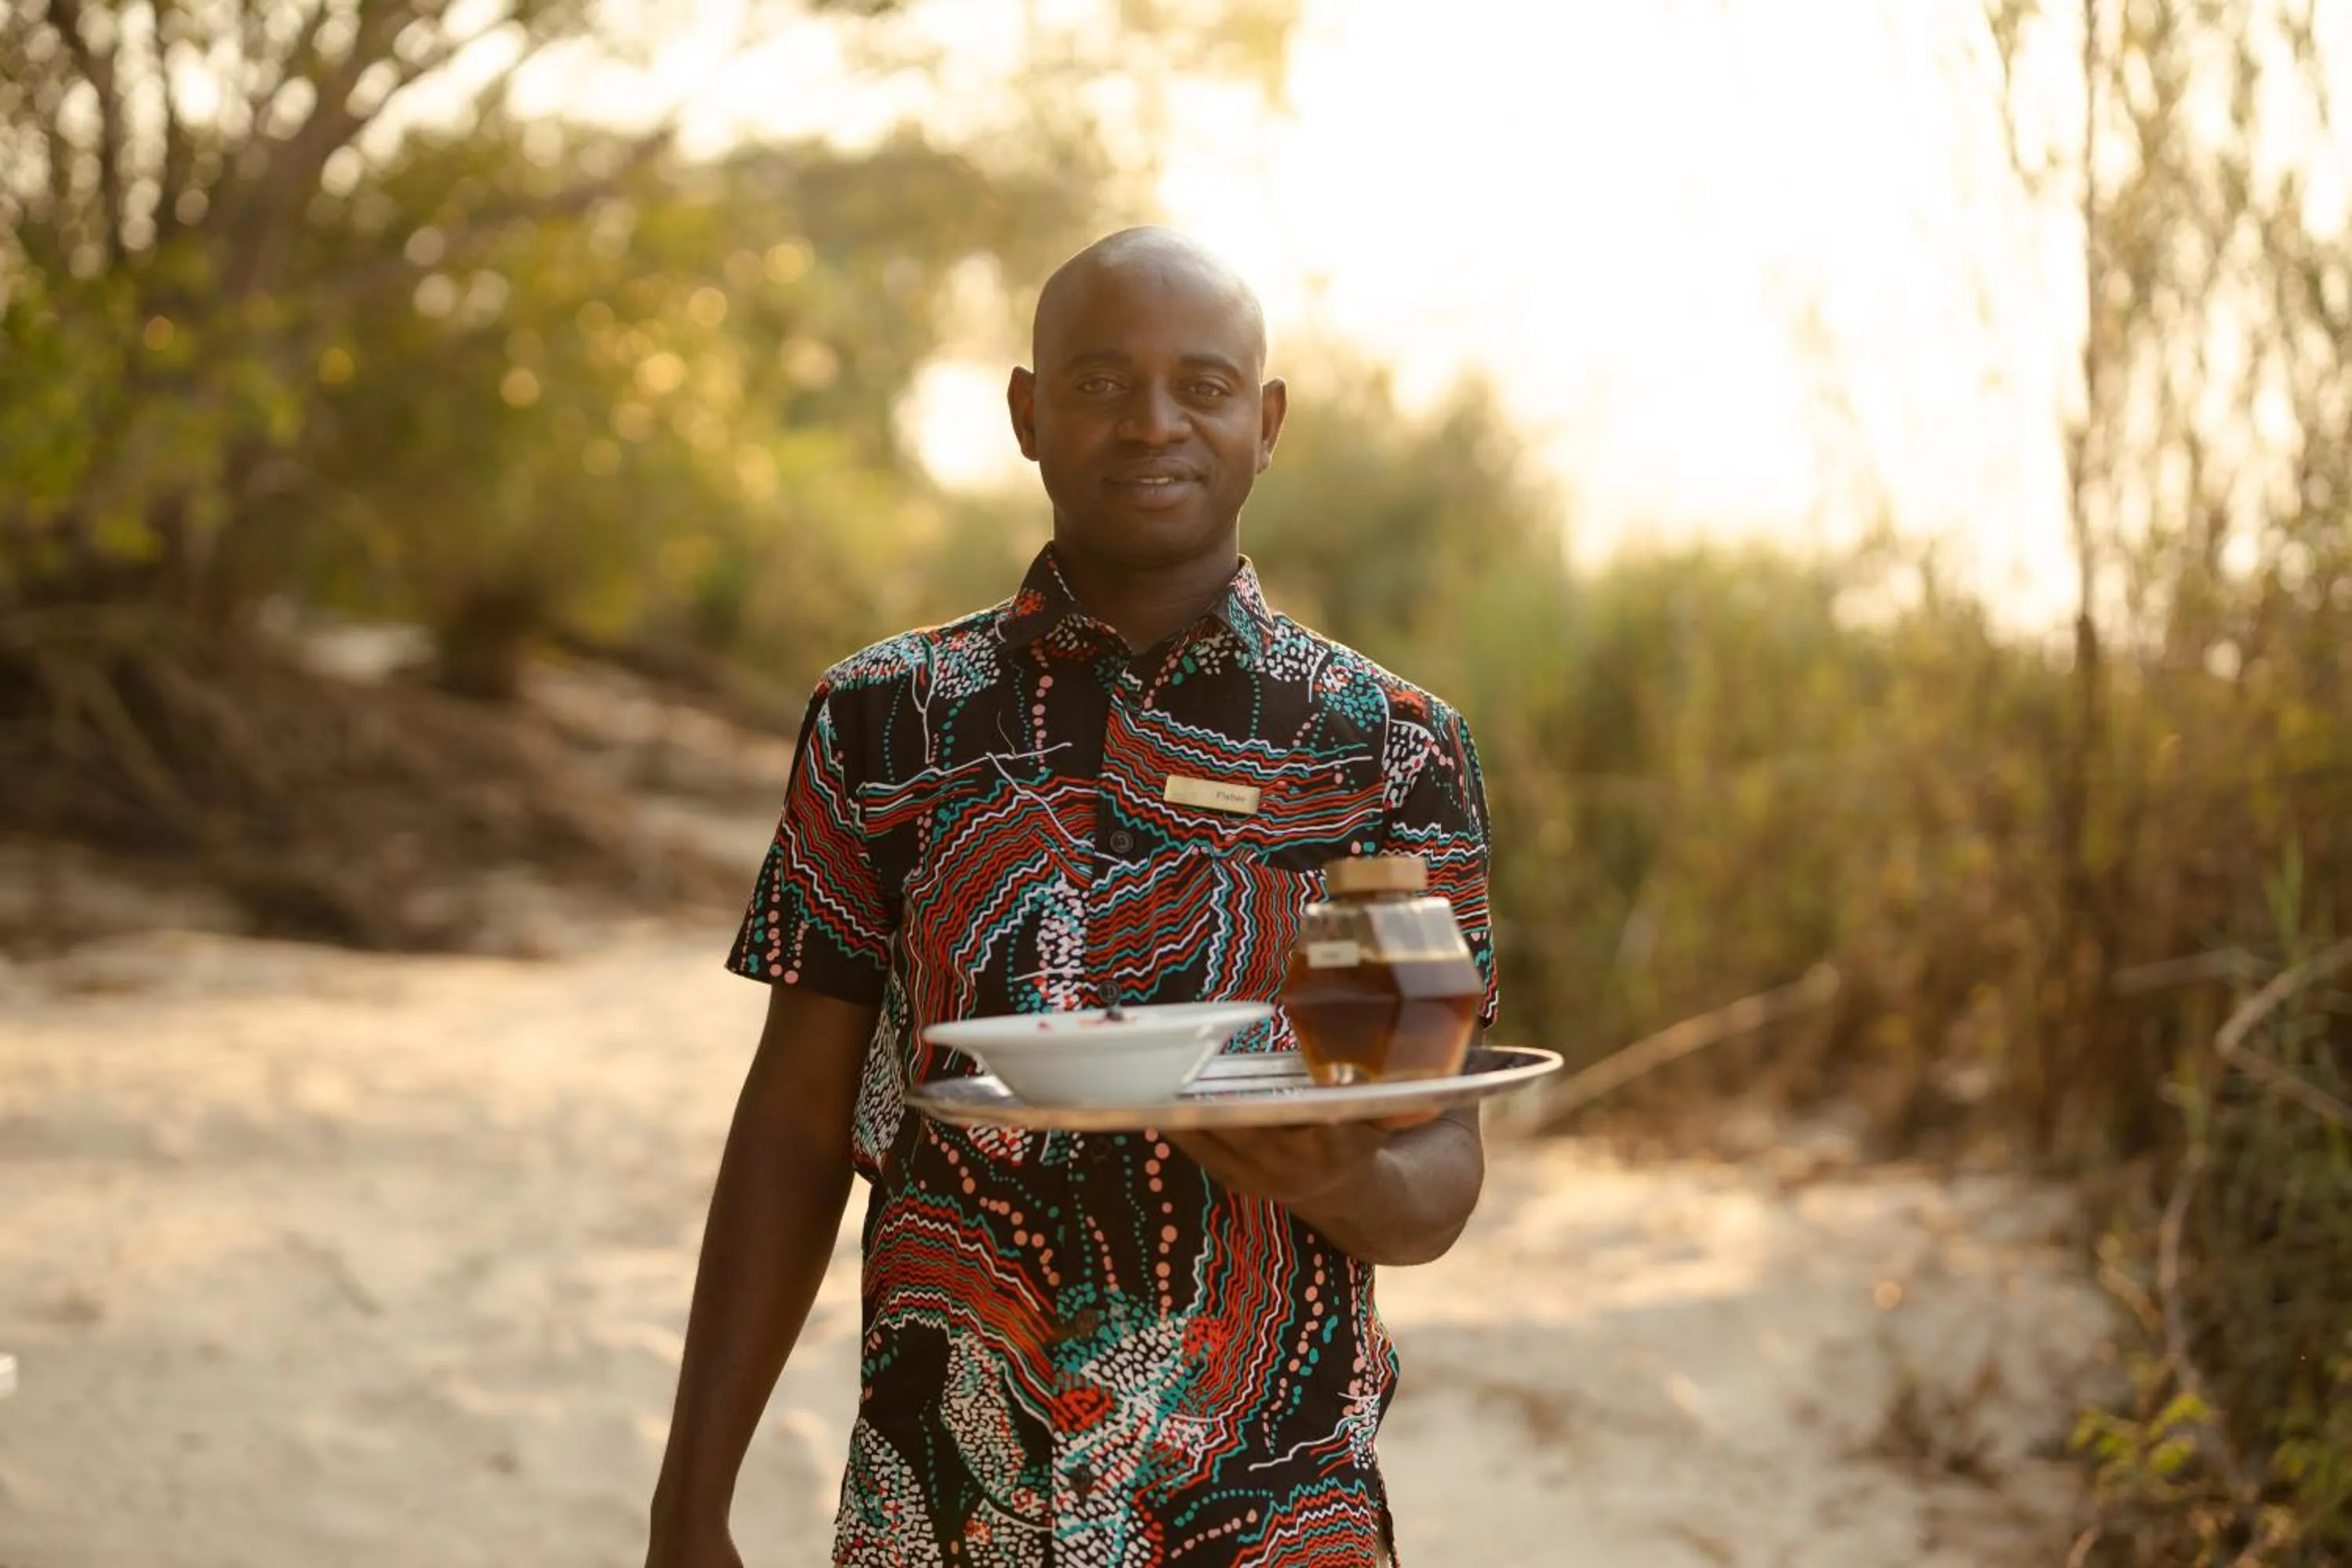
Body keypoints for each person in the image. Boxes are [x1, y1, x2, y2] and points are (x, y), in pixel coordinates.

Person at [646, 227, 1498, 1568]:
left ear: (1266, 424)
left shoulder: (1382, 749)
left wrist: (1342, 1173)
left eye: (1203, 386)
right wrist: (691, 1498)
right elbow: (795, 1123)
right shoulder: (887, 722)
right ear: (1028, 414)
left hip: (1273, 1515)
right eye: (1100, 383)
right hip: (943, 1505)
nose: (1153, 423)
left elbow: (1436, 1161)